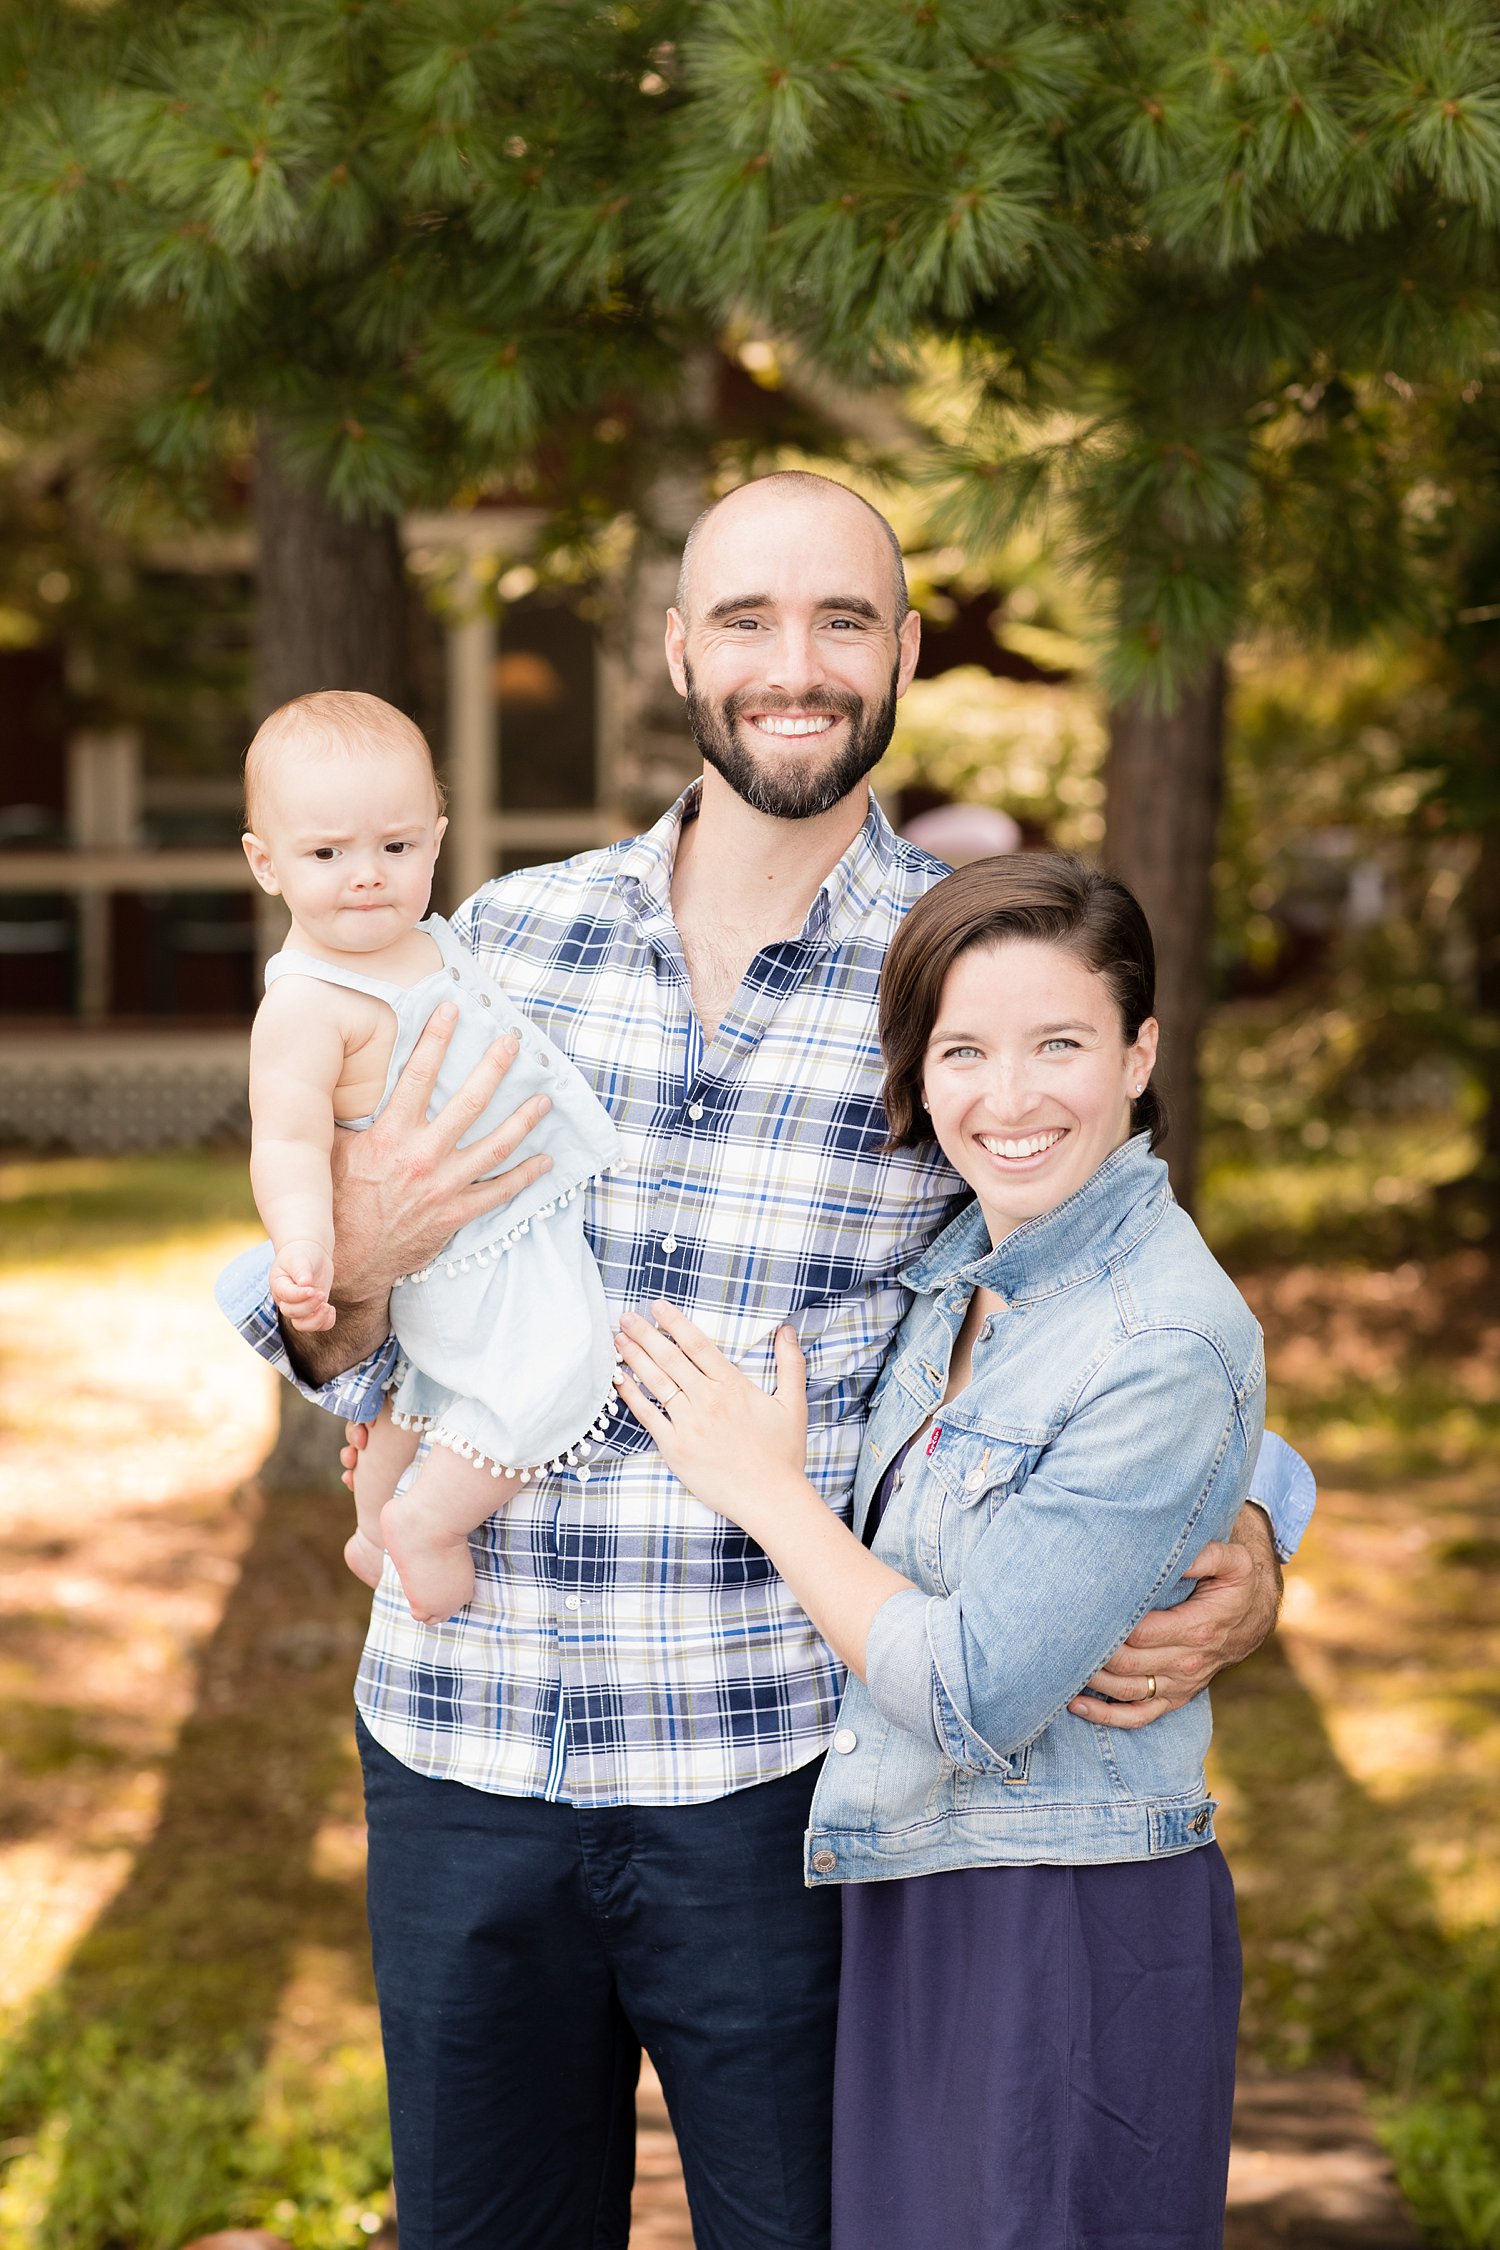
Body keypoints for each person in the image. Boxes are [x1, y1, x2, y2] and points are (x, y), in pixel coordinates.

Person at [216, 472, 1312, 2250]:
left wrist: (1261, 1527)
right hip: (461, 1748)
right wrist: (361, 1272)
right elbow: (330, 1316)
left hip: (779, 1786)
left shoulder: (966, 981)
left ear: (898, 655)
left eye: (842, 621)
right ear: (678, 651)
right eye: (745, 620)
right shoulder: (492, 942)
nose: (792, 666)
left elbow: (1105, 1306)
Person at [615, 852, 1260, 2247]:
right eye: (964, 1048)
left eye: (1062, 1044)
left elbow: (973, 1687)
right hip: (919, 1892)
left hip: (1065, 1919)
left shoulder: (1163, 1334)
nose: (1008, 1097)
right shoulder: (968, 1271)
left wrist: (764, 1490)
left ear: (1142, 1053)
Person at [241, 689, 620, 1619]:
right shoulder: (306, 1002)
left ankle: (375, 1528)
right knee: (557, 1367)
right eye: (327, 853)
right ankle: (430, 1528)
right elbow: (286, 1138)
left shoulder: (433, 943)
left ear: (436, 842)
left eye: (396, 848)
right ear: (266, 863)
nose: (366, 874)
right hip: (462, 1245)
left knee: (426, 1392)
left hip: (496, 1226)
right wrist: (304, 1246)